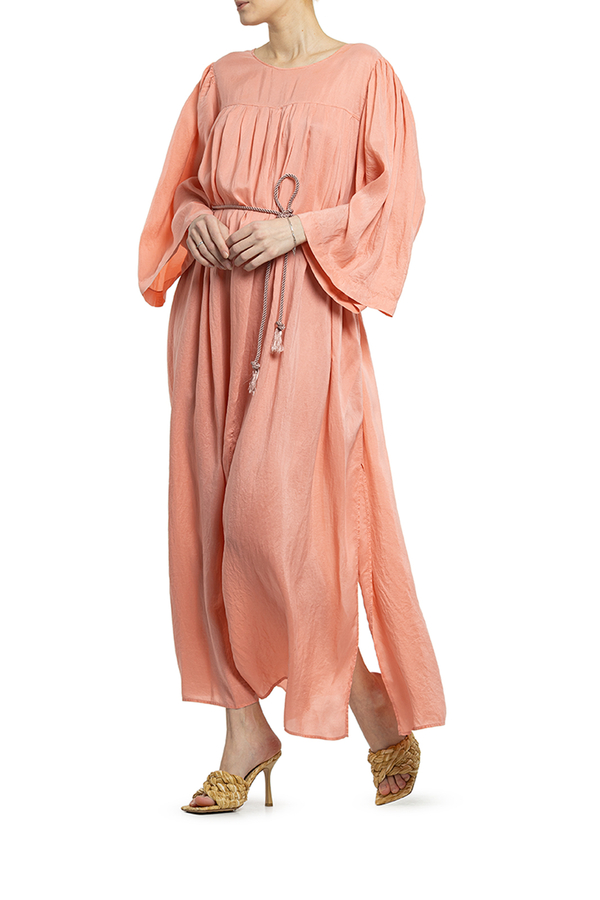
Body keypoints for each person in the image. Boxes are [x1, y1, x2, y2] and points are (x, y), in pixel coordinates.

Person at [138, 0, 446, 813]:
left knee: (277, 521)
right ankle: (243, 729)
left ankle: (367, 697)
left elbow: (397, 199)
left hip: (306, 310)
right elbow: (183, 191)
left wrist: (300, 228)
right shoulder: (220, 80)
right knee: (208, 521)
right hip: (213, 313)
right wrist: (195, 222)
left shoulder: (366, 73)